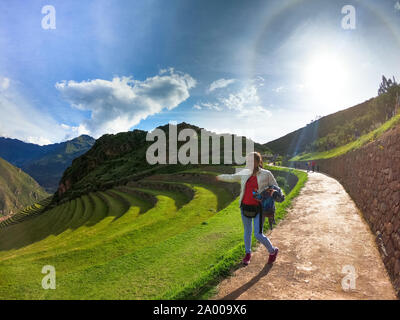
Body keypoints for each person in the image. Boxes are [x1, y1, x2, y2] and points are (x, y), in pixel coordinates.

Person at [216, 152, 279, 266]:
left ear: (258, 162)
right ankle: (247, 254)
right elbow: (232, 177)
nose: (249, 163)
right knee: (247, 232)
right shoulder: (245, 173)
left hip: (259, 208)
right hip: (245, 206)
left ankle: (272, 251)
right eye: (247, 161)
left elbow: (276, 187)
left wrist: (277, 195)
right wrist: (219, 177)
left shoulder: (266, 174)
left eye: (251, 161)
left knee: (258, 234)